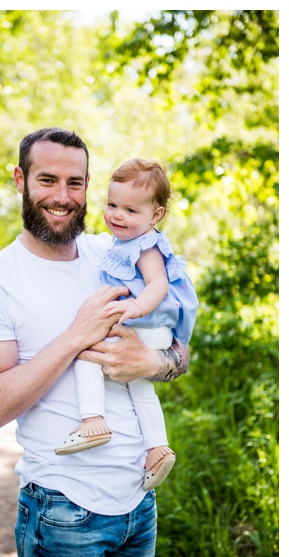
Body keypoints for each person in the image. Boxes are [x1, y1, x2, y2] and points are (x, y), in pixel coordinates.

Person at [0, 127, 189, 557]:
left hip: (139, 505)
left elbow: (177, 343)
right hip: (65, 509)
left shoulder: (114, 254)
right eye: (47, 180)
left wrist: (155, 363)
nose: (62, 196)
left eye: (75, 183)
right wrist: (73, 337)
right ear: (20, 180)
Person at [56, 159, 198, 493]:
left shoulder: (146, 246)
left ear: (156, 215)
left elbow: (158, 285)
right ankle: (157, 449)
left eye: (130, 210)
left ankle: (92, 421)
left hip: (145, 322)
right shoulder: (124, 242)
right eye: (112, 205)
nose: (117, 215)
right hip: (149, 328)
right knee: (140, 387)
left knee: (87, 355)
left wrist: (135, 306)